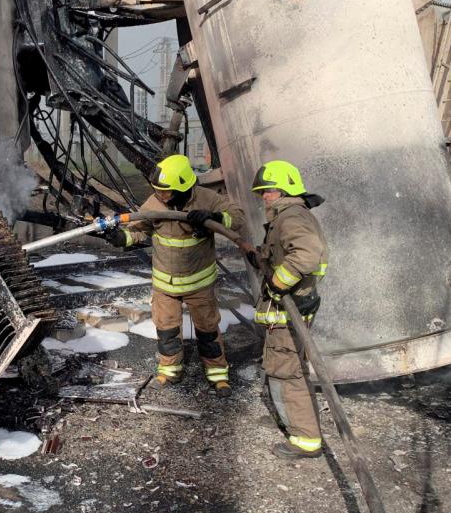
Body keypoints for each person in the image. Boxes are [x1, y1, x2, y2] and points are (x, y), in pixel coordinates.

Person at [104, 154, 245, 396]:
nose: (161, 196)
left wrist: (215, 218)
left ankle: (218, 374)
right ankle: (171, 371)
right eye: (157, 190)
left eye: (166, 192)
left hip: (199, 284)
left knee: (207, 331)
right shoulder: (155, 204)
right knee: (167, 330)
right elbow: (137, 231)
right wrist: (120, 238)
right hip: (165, 285)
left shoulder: (207, 199)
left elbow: (238, 218)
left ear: (184, 188)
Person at [249, 160, 328, 459]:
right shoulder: (288, 216)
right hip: (287, 308)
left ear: (282, 190)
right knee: (286, 367)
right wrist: (260, 257)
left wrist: (280, 283)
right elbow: (281, 255)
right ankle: (292, 422)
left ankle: (305, 440)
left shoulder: (291, 216)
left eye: (267, 192)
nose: (263, 198)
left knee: (288, 372)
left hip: (289, 309)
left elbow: (307, 254)